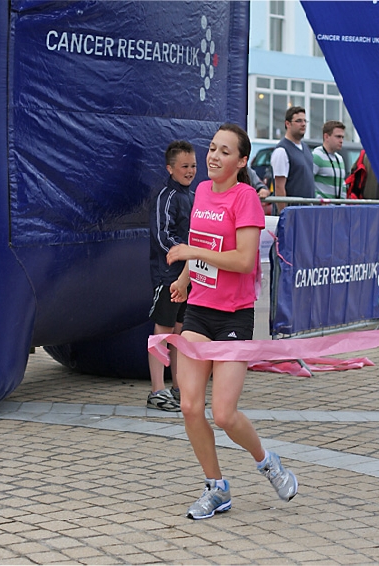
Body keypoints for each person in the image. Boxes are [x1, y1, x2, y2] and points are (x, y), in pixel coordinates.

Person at [166, 123, 298, 520]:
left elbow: (243, 261)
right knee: (190, 406)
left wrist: (190, 251)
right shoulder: (203, 192)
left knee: (223, 413)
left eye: (224, 151)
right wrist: (185, 278)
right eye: (211, 148)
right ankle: (216, 488)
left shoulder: (245, 199)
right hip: (199, 311)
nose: (213, 156)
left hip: (235, 317)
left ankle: (267, 461)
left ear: (241, 162)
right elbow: (201, 242)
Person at [147, 140, 197, 411]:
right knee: (163, 331)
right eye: (184, 166)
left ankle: (177, 385)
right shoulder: (166, 196)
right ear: (170, 168)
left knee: (180, 331)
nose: (190, 171)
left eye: (193, 166)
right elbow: (162, 234)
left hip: (186, 277)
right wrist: (185, 253)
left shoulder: (191, 195)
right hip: (168, 276)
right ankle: (157, 389)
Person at [270, 106, 315, 212]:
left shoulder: (306, 148)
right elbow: (279, 188)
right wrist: (285, 216)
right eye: (298, 121)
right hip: (293, 215)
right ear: (288, 124)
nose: (303, 124)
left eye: (305, 121)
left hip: (306, 213)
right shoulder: (282, 151)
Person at [313, 120, 347, 199]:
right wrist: (319, 201)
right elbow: (307, 183)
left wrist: (342, 206)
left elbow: (343, 186)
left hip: (337, 209)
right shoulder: (317, 156)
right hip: (321, 209)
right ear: (326, 137)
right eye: (338, 137)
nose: (341, 141)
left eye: (342, 137)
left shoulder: (340, 159)